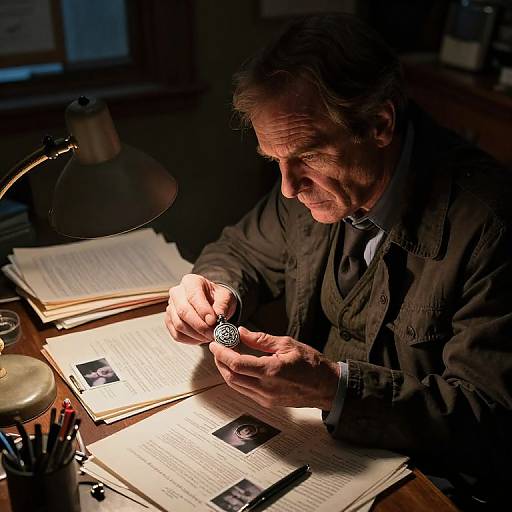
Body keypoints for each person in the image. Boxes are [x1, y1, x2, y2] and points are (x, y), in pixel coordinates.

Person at [165, 14, 512, 507]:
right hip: (320, 451)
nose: (286, 187)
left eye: (305, 155)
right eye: (275, 162)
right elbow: (239, 250)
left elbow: (489, 416)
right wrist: (211, 285)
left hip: (429, 485)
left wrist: (336, 388)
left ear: (379, 124)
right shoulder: (316, 189)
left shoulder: (490, 226)